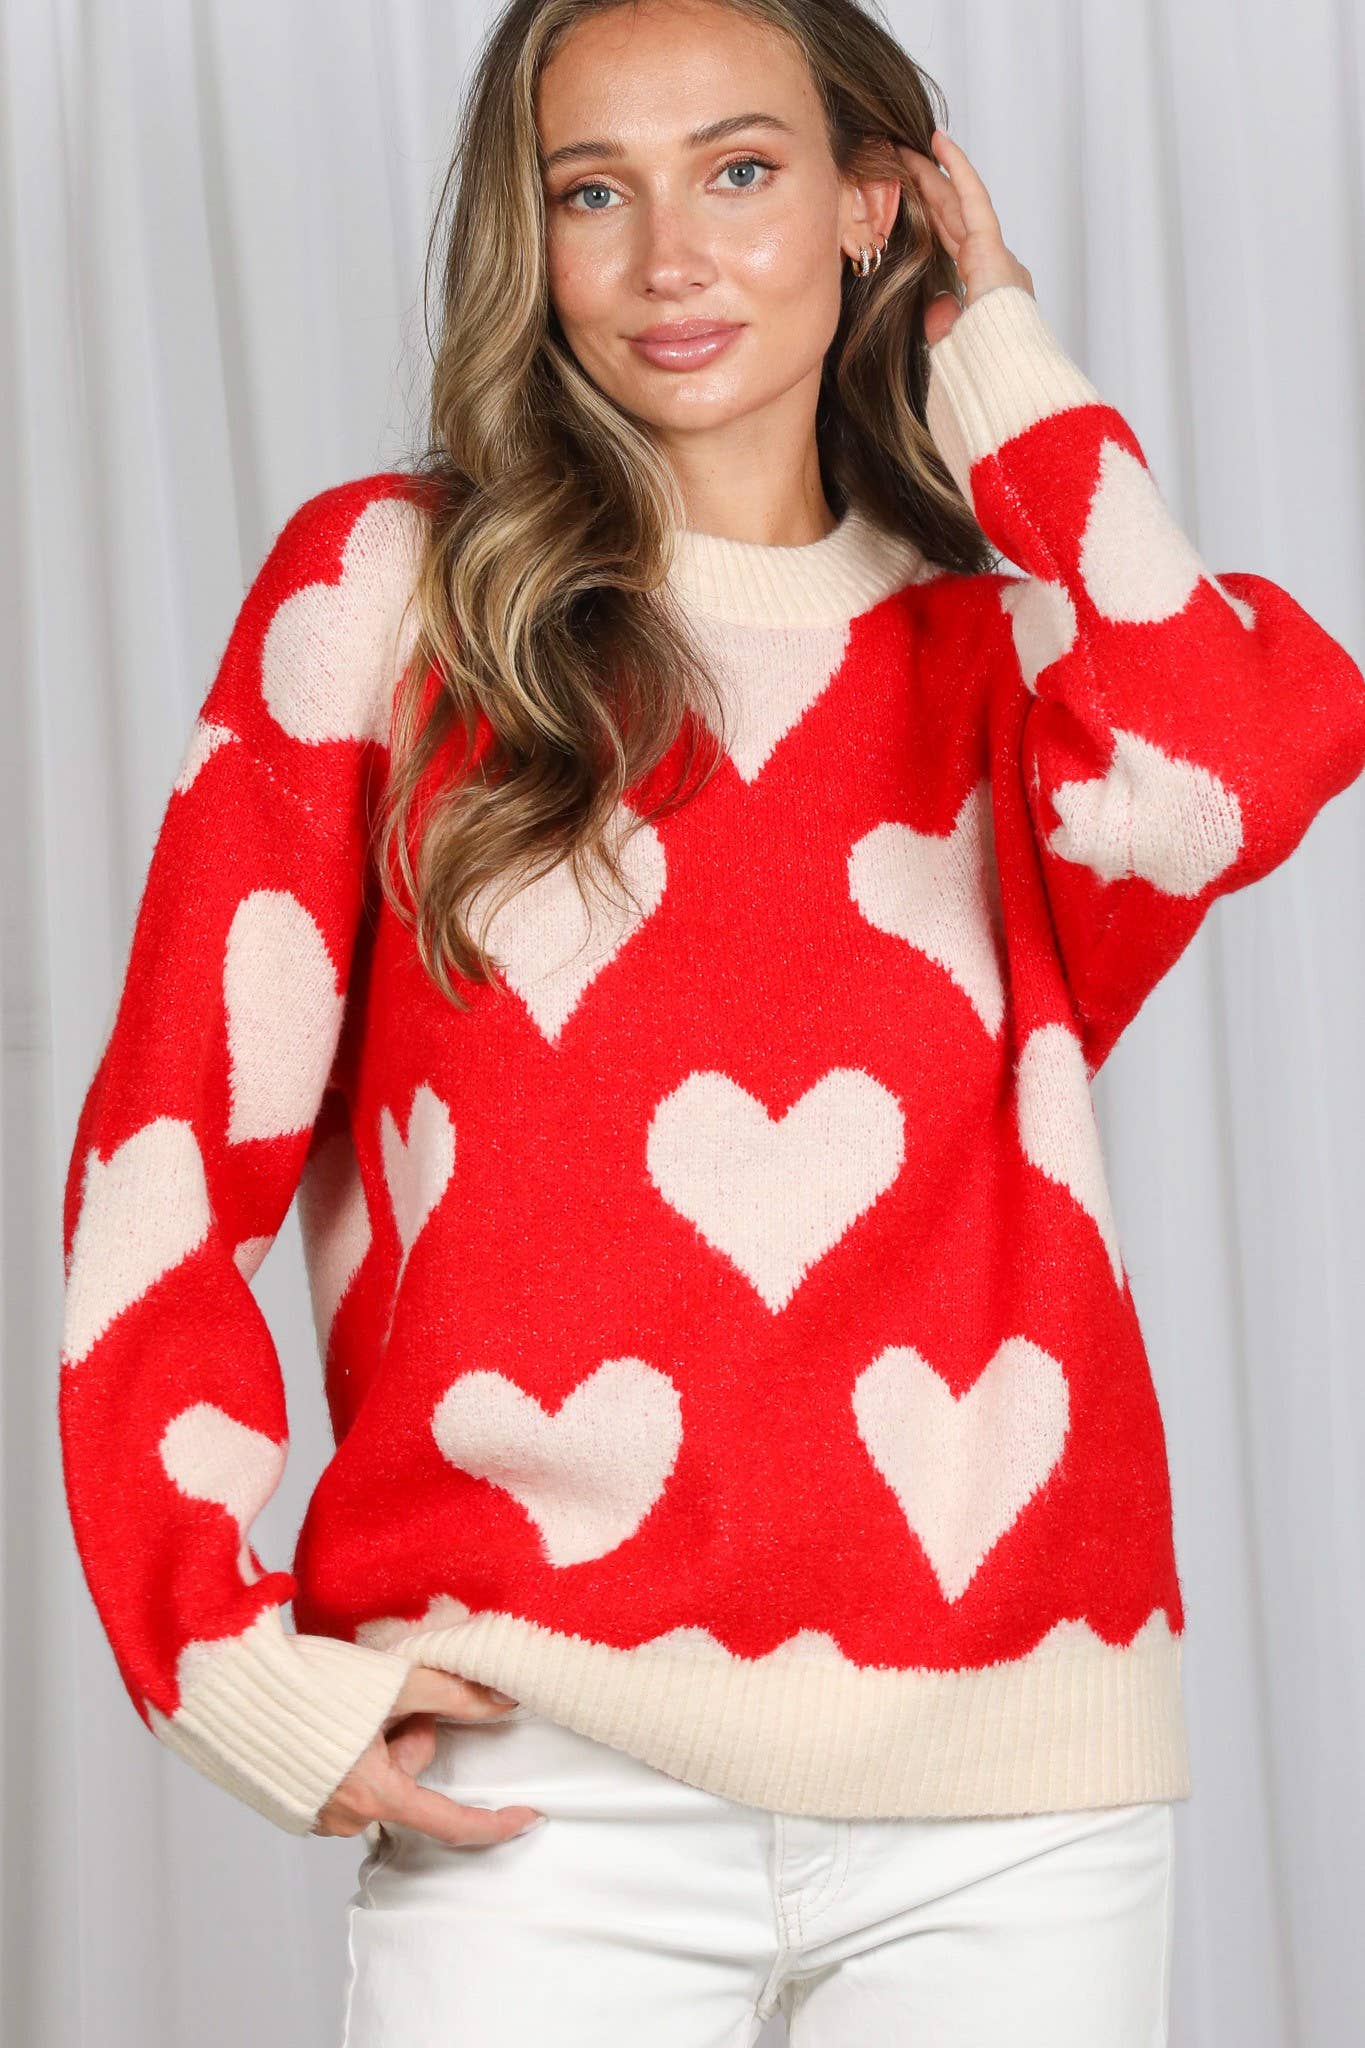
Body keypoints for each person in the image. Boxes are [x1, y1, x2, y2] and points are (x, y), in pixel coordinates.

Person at [56, 0, 1365, 2041]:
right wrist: (214, 1651)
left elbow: (1233, 771)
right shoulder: (391, 594)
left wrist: (996, 349)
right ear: (535, 239)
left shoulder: (1015, 655)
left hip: (1009, 1786)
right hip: (539, 1772)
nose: (669, 256)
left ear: (873, 202)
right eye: (592, 192)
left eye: (741, 171)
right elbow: (169, 1145)